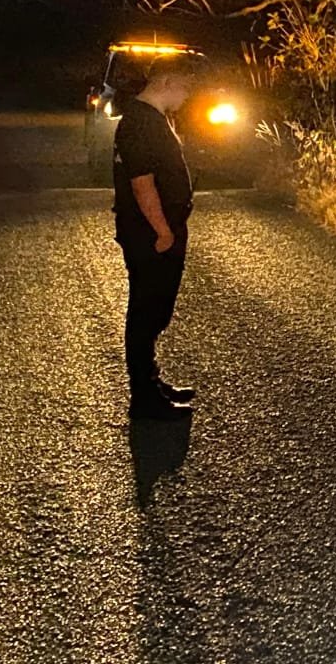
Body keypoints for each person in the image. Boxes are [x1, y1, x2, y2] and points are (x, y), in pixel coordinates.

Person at [113, 52, 201, 420]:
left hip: (156, 230)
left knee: (155, 308)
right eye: (184, 89)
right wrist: (163, 230)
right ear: (166, 82)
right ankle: (144, 398)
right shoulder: (141, 123)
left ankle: (151, 381)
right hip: (150, 233)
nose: (186, 97)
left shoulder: (149, 119)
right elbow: (142, 181)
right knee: (147, 309)